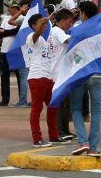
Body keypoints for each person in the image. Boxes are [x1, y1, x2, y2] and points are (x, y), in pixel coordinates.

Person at [28, 9, 72, 146]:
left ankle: (53, 135)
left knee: (53, 107)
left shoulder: (45, 40)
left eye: (45, 24)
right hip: (37, 76)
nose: (44, 26)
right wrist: (42, 24)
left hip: (47, 77)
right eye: (40, 24)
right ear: (34, 25)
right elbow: (36, 34)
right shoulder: (31, 37)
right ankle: (37, 139)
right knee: (37, 109)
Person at [69, 1, 101, 157]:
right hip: (97, 74)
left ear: (82, 14)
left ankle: (83, 141)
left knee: (76, 108)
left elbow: (70, 52)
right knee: (96, 112)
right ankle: (93, 147)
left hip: (80, 74)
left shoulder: (76, 30)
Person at [0, 0, 29, 108]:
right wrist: (7, 33)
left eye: (9, 7)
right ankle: (4, 99)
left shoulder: (23, 19)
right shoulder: (6, 18)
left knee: (20, 76)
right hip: (4, 50)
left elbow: (17, 32)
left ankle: (22, 99)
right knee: (4, 75)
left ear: (15, 8)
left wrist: (5, 32)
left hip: (16, 51)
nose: (8, 9)